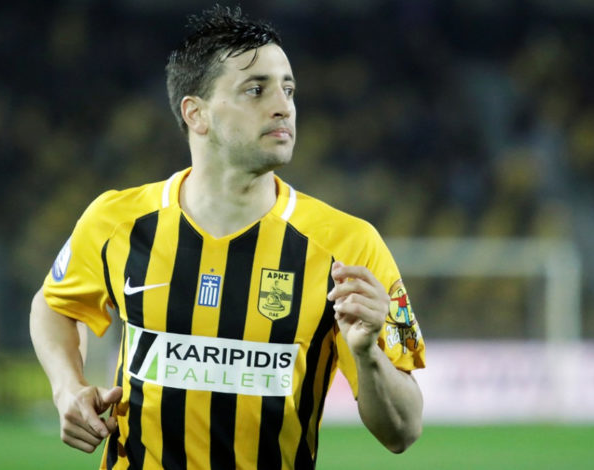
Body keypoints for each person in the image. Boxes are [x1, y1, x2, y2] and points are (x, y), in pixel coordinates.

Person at [30, 5, 425, 469]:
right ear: (196, 114)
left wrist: (369, 355)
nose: (283, 105)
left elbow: (403, 432)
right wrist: (67, 387)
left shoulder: (349, 245)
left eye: (288, 89)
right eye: (256, 89)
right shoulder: (116, 221)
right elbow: (55, 305)